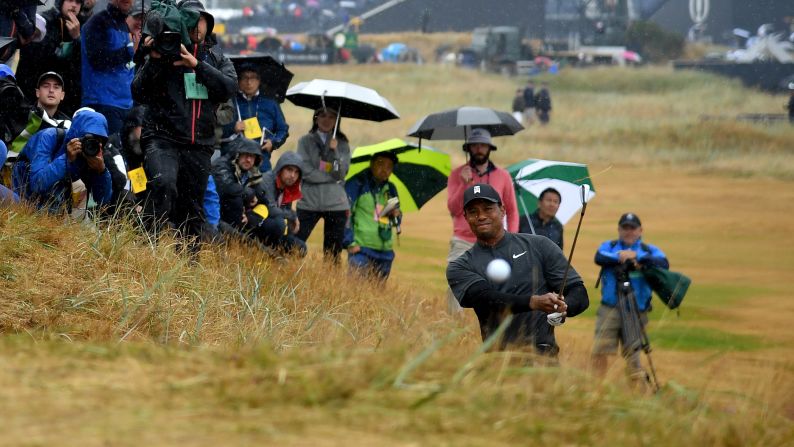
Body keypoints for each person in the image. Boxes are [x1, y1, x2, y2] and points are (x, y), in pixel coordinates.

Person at [132, 0, 237, 246]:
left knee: (192, 208)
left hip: (199, 144)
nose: (196, 26)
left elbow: (228, 88)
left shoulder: (216, 57)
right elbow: (138, 93)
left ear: (208, 23)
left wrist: (197, 66)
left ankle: (187, 267)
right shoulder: (164, 51)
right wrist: (155, 60)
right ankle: (147, 248)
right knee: (163, 184)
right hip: (162, 137)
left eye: (200, 19)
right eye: (189, 19)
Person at [447, 183, 589, 354]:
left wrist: (565, 307)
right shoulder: (460, 265)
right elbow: (485, 299)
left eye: (488, 208)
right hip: (496, 359)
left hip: (543, 356)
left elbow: (579, 292)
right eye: (473, 212)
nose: (481, 216)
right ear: (466, 217)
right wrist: (534, 302)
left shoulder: (540, 245)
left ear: (503, 209)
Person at [446, 127, 519, 313]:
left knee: (495, 288)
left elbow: (511, 210)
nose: (479, 149)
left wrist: (512, 239)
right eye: (475, 145)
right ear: (469, 148)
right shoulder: (457, 174)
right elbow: (454, 210)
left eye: (483, 145)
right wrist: (464, 184)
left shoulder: (503, 176)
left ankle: (491, 329)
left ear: (489, 148)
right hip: (463, 240)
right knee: (455, 283)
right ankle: (454, 328)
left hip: (495, 241)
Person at [592, 213, 669, 381]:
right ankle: (595, 386)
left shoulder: (649, 251)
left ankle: (636, 392)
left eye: (632, 228)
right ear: (619, 229)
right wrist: (620, 257)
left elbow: (663, 263)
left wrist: (637, 257)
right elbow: (599, 257)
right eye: (625, 228)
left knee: (633, 356)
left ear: (640, 230)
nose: (628, 231)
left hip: (637, 311)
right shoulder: (610, 246)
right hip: (609, 308)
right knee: (600, 351)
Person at [12, 108, 111, 213]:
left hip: (53, 212)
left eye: (99, 141)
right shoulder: (48, 137)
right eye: (90, 139)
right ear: (77, 136)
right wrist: (66, 159)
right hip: (21, 200)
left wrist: (101, 172)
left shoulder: (91, 156)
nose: (92, 144)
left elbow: (102, 203)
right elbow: (37, 184)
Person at [295, 107, 351, 261]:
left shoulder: (343, 143)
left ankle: (329, 284)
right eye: (323, 116)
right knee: (294, 246)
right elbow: (305, 171)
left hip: (336, 204)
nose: (327, 120)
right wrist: (330, 176)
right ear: (316, 118)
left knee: (332, 255)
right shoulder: (305, 141)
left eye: (332, 117)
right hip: (309, 202)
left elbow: (341, 173)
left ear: (336, 121)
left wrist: (335, 153)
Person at [15, 0, 83, 115]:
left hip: (61, 99)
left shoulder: (78, 26)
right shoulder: (44, 21)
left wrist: (76, 39)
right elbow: (36, 59)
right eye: (70, 0)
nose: (74, 5)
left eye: (78, 2)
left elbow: (78, 67)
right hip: (33, 91)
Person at [344, 151, 401, 281]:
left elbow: (394, 220)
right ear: (372, 163)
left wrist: (396, 215)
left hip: (385, 252)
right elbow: (345, 213)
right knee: (355, 294)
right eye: (380, 164)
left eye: (389, 166)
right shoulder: (357, 183)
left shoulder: (391, 189)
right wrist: (349, 242)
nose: (384, 169)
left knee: (376, 298)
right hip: (361, 250)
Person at [81, 0, 135, 136]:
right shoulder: (97, 22)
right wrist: (129, 51)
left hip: (126, 104)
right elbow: (97, 60)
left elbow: (128, 66)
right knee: (108, 153)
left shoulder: (124, 25)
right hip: (102, 103)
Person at [221, 64, 289, 172]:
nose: (249, 82)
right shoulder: (228, 101)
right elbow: (216, 130)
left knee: (263, 188)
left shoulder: (270, 103)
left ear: (259, 80)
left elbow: (283, 129)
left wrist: (273, 142)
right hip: (233, 164)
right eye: (245, 78)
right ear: (238, 80)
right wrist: (232, 127)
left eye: (253, 77)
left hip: (262, 163)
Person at [257, 151, 306, 254]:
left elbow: (284, 212)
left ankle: (278, 257)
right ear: (280, 169)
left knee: (301, 248)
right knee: (279, 224)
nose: (293, 175)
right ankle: (269, 254)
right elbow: (271, 209)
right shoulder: (266, 180)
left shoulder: (288, 186)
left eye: (297, 172)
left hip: (274, 226)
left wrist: (291, 219)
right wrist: (292, 216)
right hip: (258, 225)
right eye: (289, 170)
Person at [11, 72, 72, 154]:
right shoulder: (21, 114)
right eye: (46, 86)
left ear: (62, 95)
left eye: (56, 87)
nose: (51, 90)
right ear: (37, 92)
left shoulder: (68, 124)